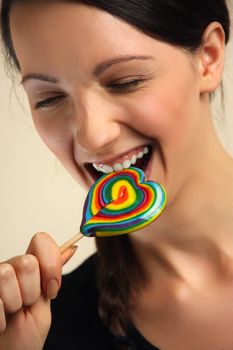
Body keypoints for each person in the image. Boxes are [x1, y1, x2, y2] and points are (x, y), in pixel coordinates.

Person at [0, 0, 232, 349]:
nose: (92, 137)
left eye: (126, 81)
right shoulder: (45, 330)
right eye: (49, 98)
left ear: (209, 58)